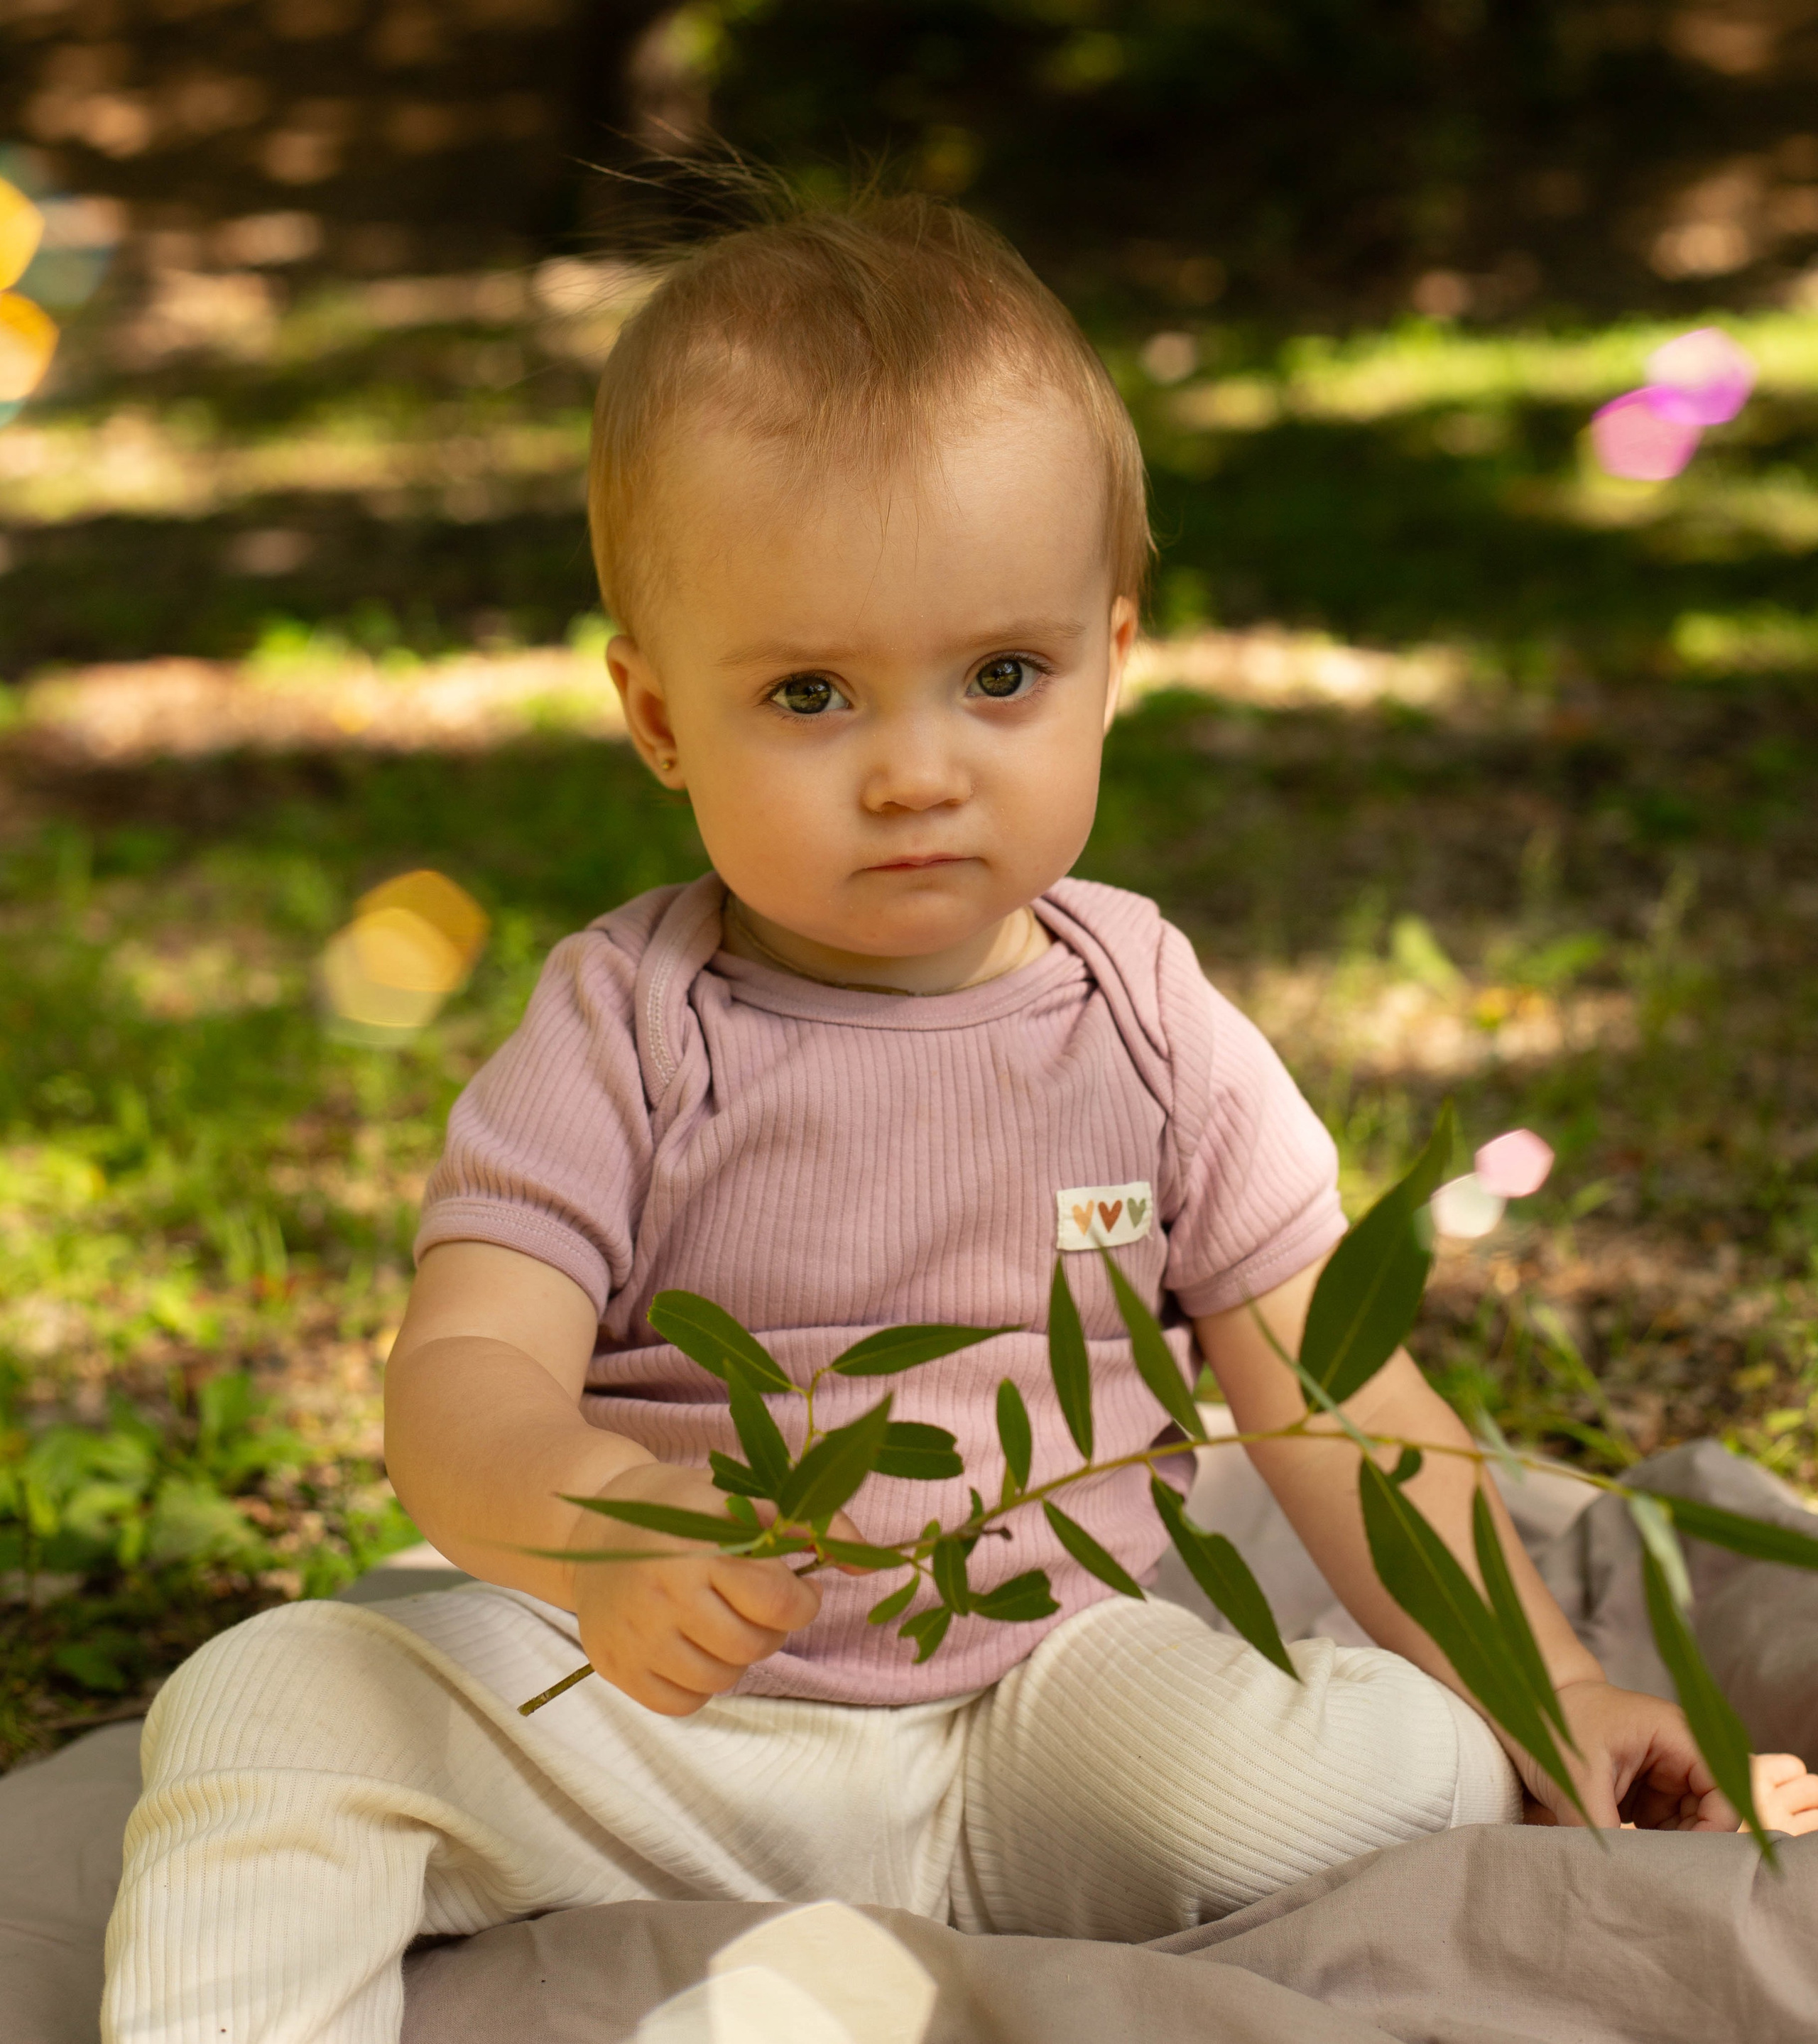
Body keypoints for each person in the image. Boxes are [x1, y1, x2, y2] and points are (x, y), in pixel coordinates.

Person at [102, 190, 1818, 2044]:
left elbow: (1342, 1401)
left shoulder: (1150, 1020)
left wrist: (1551, 1690)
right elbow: (458, 1380)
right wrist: (597, 1529)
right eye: (811, 693)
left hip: (1047, 1710)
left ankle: (1286, 1821)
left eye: (1002, 676)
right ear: (658, 716)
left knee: (1377, 1759)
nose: (918, 770)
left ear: (1112, 656)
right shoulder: (624, 1026)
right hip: (670, 1722)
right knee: (274, 1701)